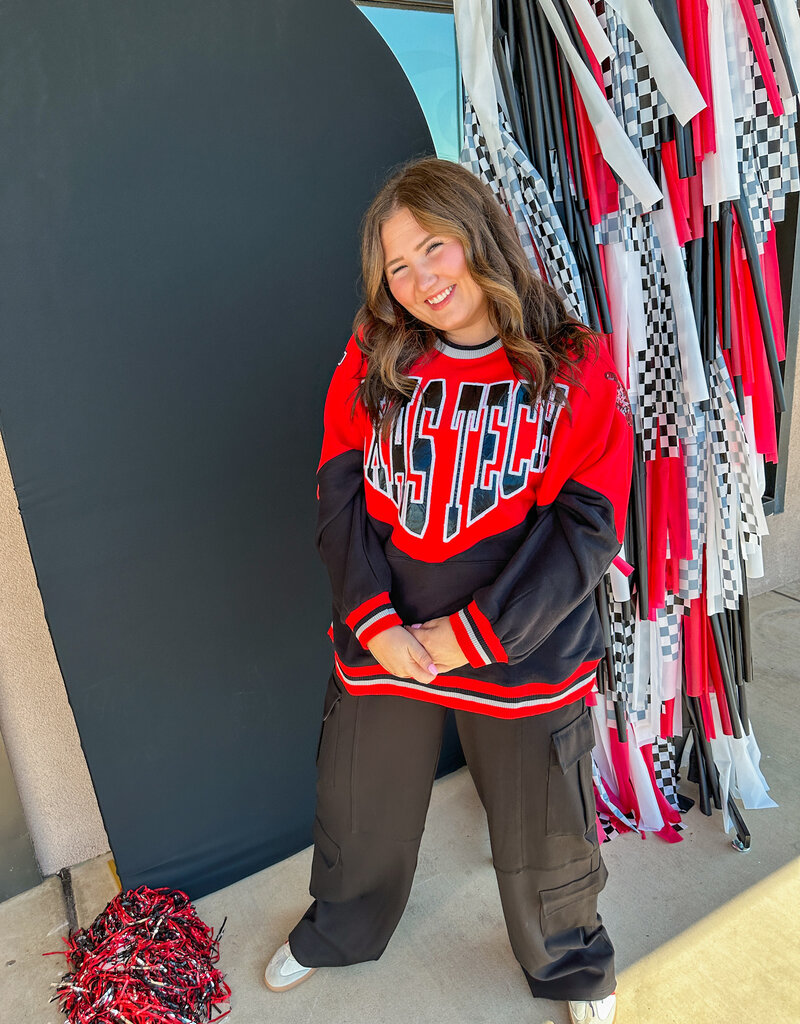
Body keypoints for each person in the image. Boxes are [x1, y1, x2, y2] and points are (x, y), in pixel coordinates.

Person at [264, 157, 633, 1024]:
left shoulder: (573, 363)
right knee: (361, 803)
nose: (423, 278)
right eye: (398, 264)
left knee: (547, 821)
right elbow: (338, 489)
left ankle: (571, 962)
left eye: (435, 246)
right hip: (386, 633)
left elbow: (586, 528)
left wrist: (472, 637)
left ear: (479, 235)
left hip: (524, 643)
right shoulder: (374, 353)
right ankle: (341, 931)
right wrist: (378, 624)